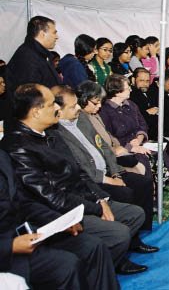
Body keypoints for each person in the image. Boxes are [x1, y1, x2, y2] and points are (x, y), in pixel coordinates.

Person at [1, 83, 151, 275]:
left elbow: (79, 171)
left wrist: (99, 198)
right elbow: (49, 196)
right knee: (118, 233)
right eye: (52, 104)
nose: (57, 108)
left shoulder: (51, 134)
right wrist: (95, 208)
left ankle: (110, 261)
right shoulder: (18, 146)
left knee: (135, 214)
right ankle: (99, 266)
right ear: (36, 112)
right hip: (59, 211)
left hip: (80, 198)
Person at [0, 146, 120, 289]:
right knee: (65, 267)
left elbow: (23, 202)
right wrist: (10, 246)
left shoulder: (2, 157)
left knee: (92, 246)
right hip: (8, 250)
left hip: (26, 232)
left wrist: (60, 221)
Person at [53, 85, 155, 232]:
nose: (78, 108)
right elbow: (79, 165)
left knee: (143, 182)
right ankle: (128, 236)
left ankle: (143, 230)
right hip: (93, 180)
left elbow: (103, 146)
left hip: (108, 171)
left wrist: (116, 174)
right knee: (125, 193)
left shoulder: (81, 118)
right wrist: (110, 180)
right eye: (73, 106)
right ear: (59, 110)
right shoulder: (56, 133)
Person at [99, 73, 169, 183]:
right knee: (142, 156)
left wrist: (139, 138)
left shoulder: (131, 105)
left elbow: (143, 124)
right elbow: (109, 138)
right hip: (122, 147)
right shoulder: (104, 111)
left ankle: (164, 180)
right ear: (117, 92)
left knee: (159, 148)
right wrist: (130, 147)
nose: (130, 89)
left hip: (138, 141)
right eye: (127, 88)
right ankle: (150, 185)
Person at [77, 81, 149, 177]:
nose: (99, 106)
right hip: (107, 160)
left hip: (119, 150)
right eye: (95, 103)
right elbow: (98, 145)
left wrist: (137, 140)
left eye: (100, 102)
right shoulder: (83, 119)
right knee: (140, 171)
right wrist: (126, 148)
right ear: (84, 100)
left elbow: (108, 135)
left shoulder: (94, 114)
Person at [5, 16, 60, 94]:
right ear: (42, 34)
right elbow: (30, 96)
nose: (57, 37)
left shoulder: (40, 54)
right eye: (54, 32)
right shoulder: (27, 57)